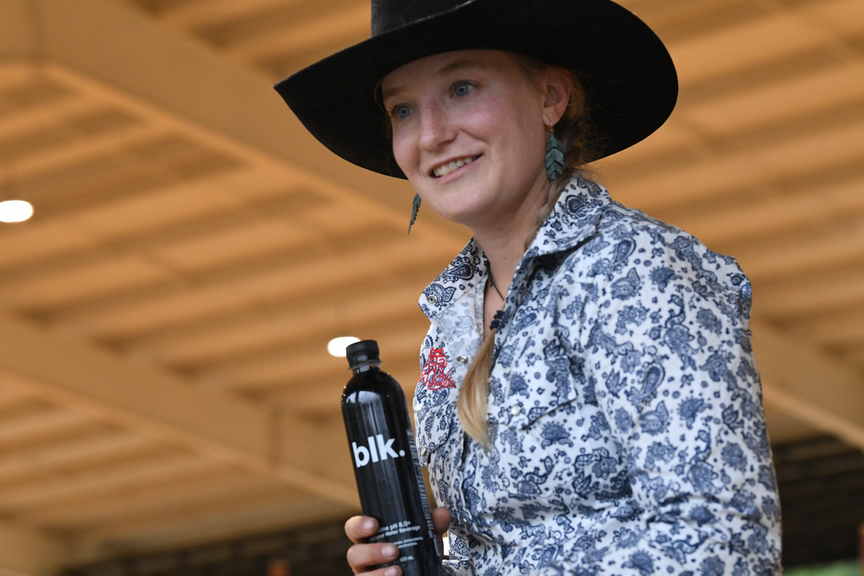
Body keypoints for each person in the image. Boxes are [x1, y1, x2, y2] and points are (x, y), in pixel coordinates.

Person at [275, 1, 783, 574]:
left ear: (550, 97)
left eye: (462, 88)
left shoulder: (633, 269)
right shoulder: (447, 323)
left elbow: (724, 544)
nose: (432, 134)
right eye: (403, 110)